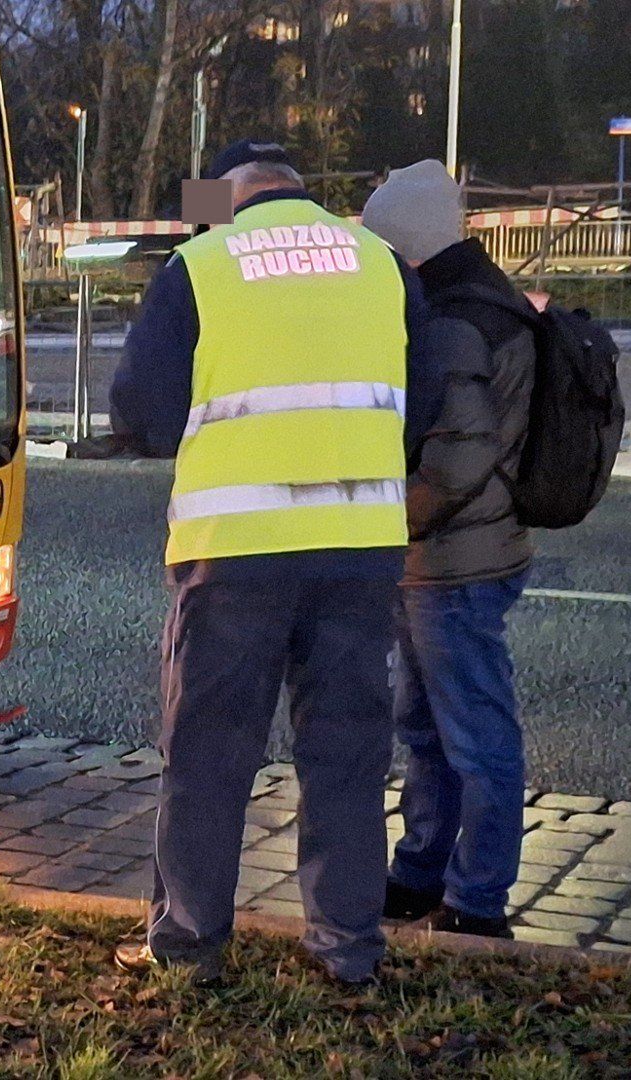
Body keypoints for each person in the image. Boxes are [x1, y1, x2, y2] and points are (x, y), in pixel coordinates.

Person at [107, 140, 440, 985]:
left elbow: (141, 411)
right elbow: (424, 401)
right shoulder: (382, 263)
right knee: (349, 752)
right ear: (297, 188)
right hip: (361, 550)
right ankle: (347, 949)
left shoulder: (201, 263)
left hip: (235, 552)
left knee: (211, 754)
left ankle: (188, 947)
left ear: (226, 196)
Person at [360, 160, 536, 939]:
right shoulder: (480, 299)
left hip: (453, 561)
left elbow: (456, 459)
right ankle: (421, 871)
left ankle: (477, 901)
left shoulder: (454, 320)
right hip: (454, 556)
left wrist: (386, 520)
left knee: (471, 734)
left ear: (409, 247)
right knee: (431, 727)